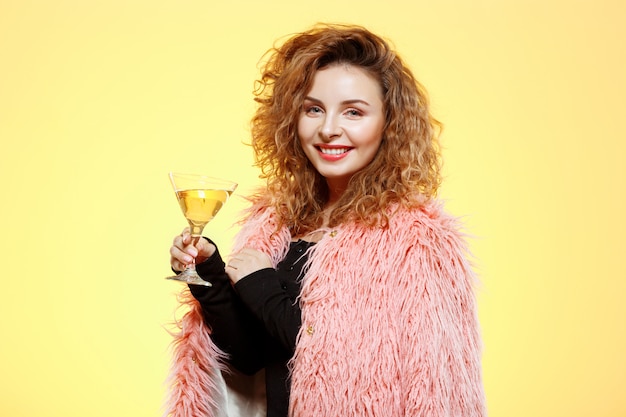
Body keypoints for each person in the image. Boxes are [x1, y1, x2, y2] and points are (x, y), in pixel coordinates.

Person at [165, 23, 486, 417]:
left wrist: (262, 286)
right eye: (313, 109)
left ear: (389, 123)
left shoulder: (414, 243)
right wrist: (209, 275)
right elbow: (252, 360)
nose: (329, 129)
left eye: (353, 111)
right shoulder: (277, 224)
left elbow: (353, 367)